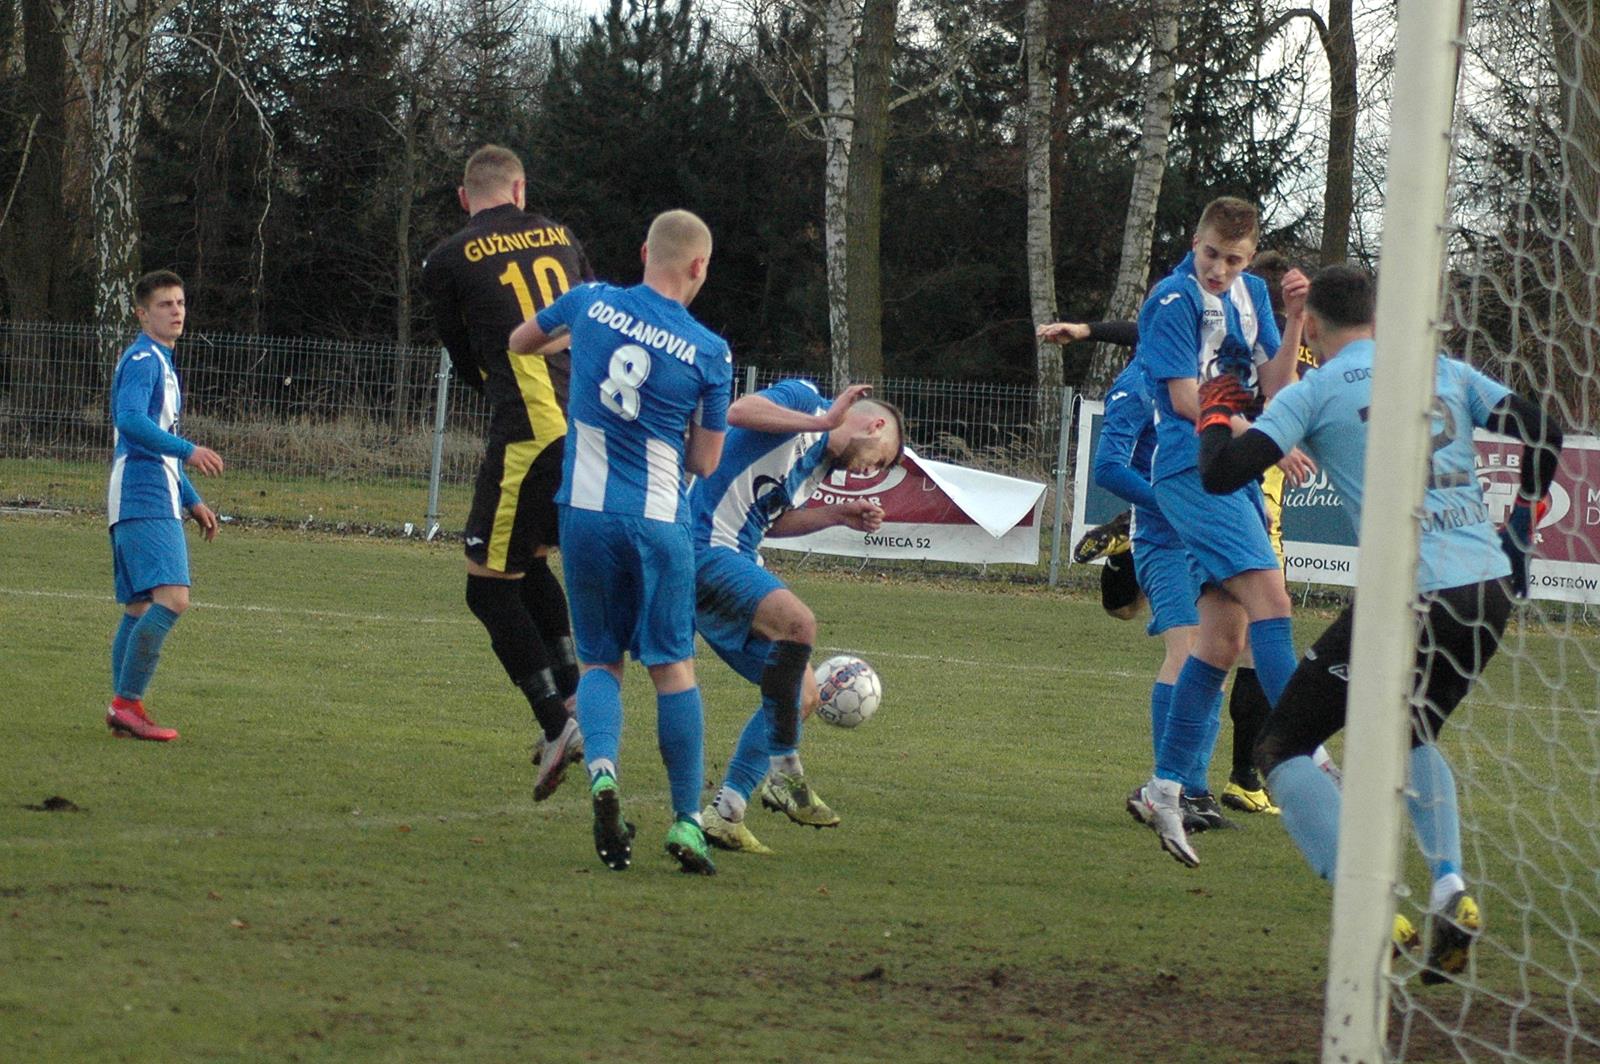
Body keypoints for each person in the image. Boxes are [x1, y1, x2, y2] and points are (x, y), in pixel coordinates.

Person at [1196, 264, 1563, 982]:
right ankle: (1451, 887)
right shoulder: (1441, 369)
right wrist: (1520, 517)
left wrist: (1214, 411)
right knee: (1410, 731)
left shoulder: (1319, 387)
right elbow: (1544, 431)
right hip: (1485, 589)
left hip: (1410, 593)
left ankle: (1366, 906)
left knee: (1283, 743)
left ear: (1315, 330)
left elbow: (1224, 473)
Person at [508, 209, 733, 875]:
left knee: (603, 662)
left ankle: (604, 774)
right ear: (698, 267)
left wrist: (572, 344)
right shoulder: (709, 351)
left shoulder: (591, 302)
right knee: (671, 666)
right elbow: (705, 462)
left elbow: (522, 341)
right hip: (660, 521)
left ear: (643, 251)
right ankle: (688, 823)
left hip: (584, 513)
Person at [1129, 196, 1310, 867]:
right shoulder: (1174, 299)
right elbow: (1183, 400)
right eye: (1211, 254)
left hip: (1231, 472)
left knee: (1225, 640)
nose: (1219, 268)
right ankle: (1301, 747)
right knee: (1275, 603)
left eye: (1233, 258)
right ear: (1195, 242)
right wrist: (1256, 434)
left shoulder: (1254, 295)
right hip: (1190, 467)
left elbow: (1275, 384)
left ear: (1249, 254)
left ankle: (1167, 786)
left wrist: (1294, 322)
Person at [419, 145, 594, 801]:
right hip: (581, 429)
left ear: (466, 199)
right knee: (530, 565)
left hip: (528, 433)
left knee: (487, 589)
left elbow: (465, 358)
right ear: (520, 189)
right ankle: (576, 697)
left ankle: (557, 723)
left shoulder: (447, 257)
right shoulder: (564, 237)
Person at [690, 379, 905, 854]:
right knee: (800, 624)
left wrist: (837, 514)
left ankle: (725, 813)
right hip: (702, 543)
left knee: (802, 694)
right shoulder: (805, 399)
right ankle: (784, 774)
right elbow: (740, 411)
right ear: (875, 425)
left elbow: (769, 519)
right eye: (882, 459)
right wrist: (823, 421)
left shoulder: (820, 465)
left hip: (734, 555)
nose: (873, 471)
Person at [105, 270, 224, 742]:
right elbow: (130, 420)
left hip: (144, 489)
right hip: (143, 491)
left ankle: (123, 708)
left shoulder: (160, 361)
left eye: (179, 303)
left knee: (139, 607)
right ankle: (125, 703)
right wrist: (188, 449)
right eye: (164, 305)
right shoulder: (144, 360)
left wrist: (192, 500)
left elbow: (154, 438)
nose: (176, 311)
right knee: (173, 599)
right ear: (142, 313)